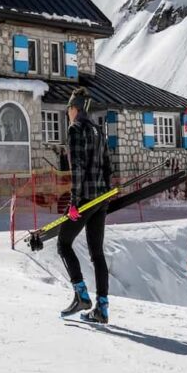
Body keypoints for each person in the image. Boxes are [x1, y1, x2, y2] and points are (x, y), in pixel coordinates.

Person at [57, 88, 112, 323]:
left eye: (68, 109)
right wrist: (106, 195)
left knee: (63, 244)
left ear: (75, 108)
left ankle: (81, 294)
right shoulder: (98, 131)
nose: (67, 113)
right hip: (100, 199)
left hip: (85, 199)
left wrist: (74, 202)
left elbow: (77, 168)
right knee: (97, 253)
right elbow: (108, 166)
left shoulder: (76, 129)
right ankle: (102, 308)